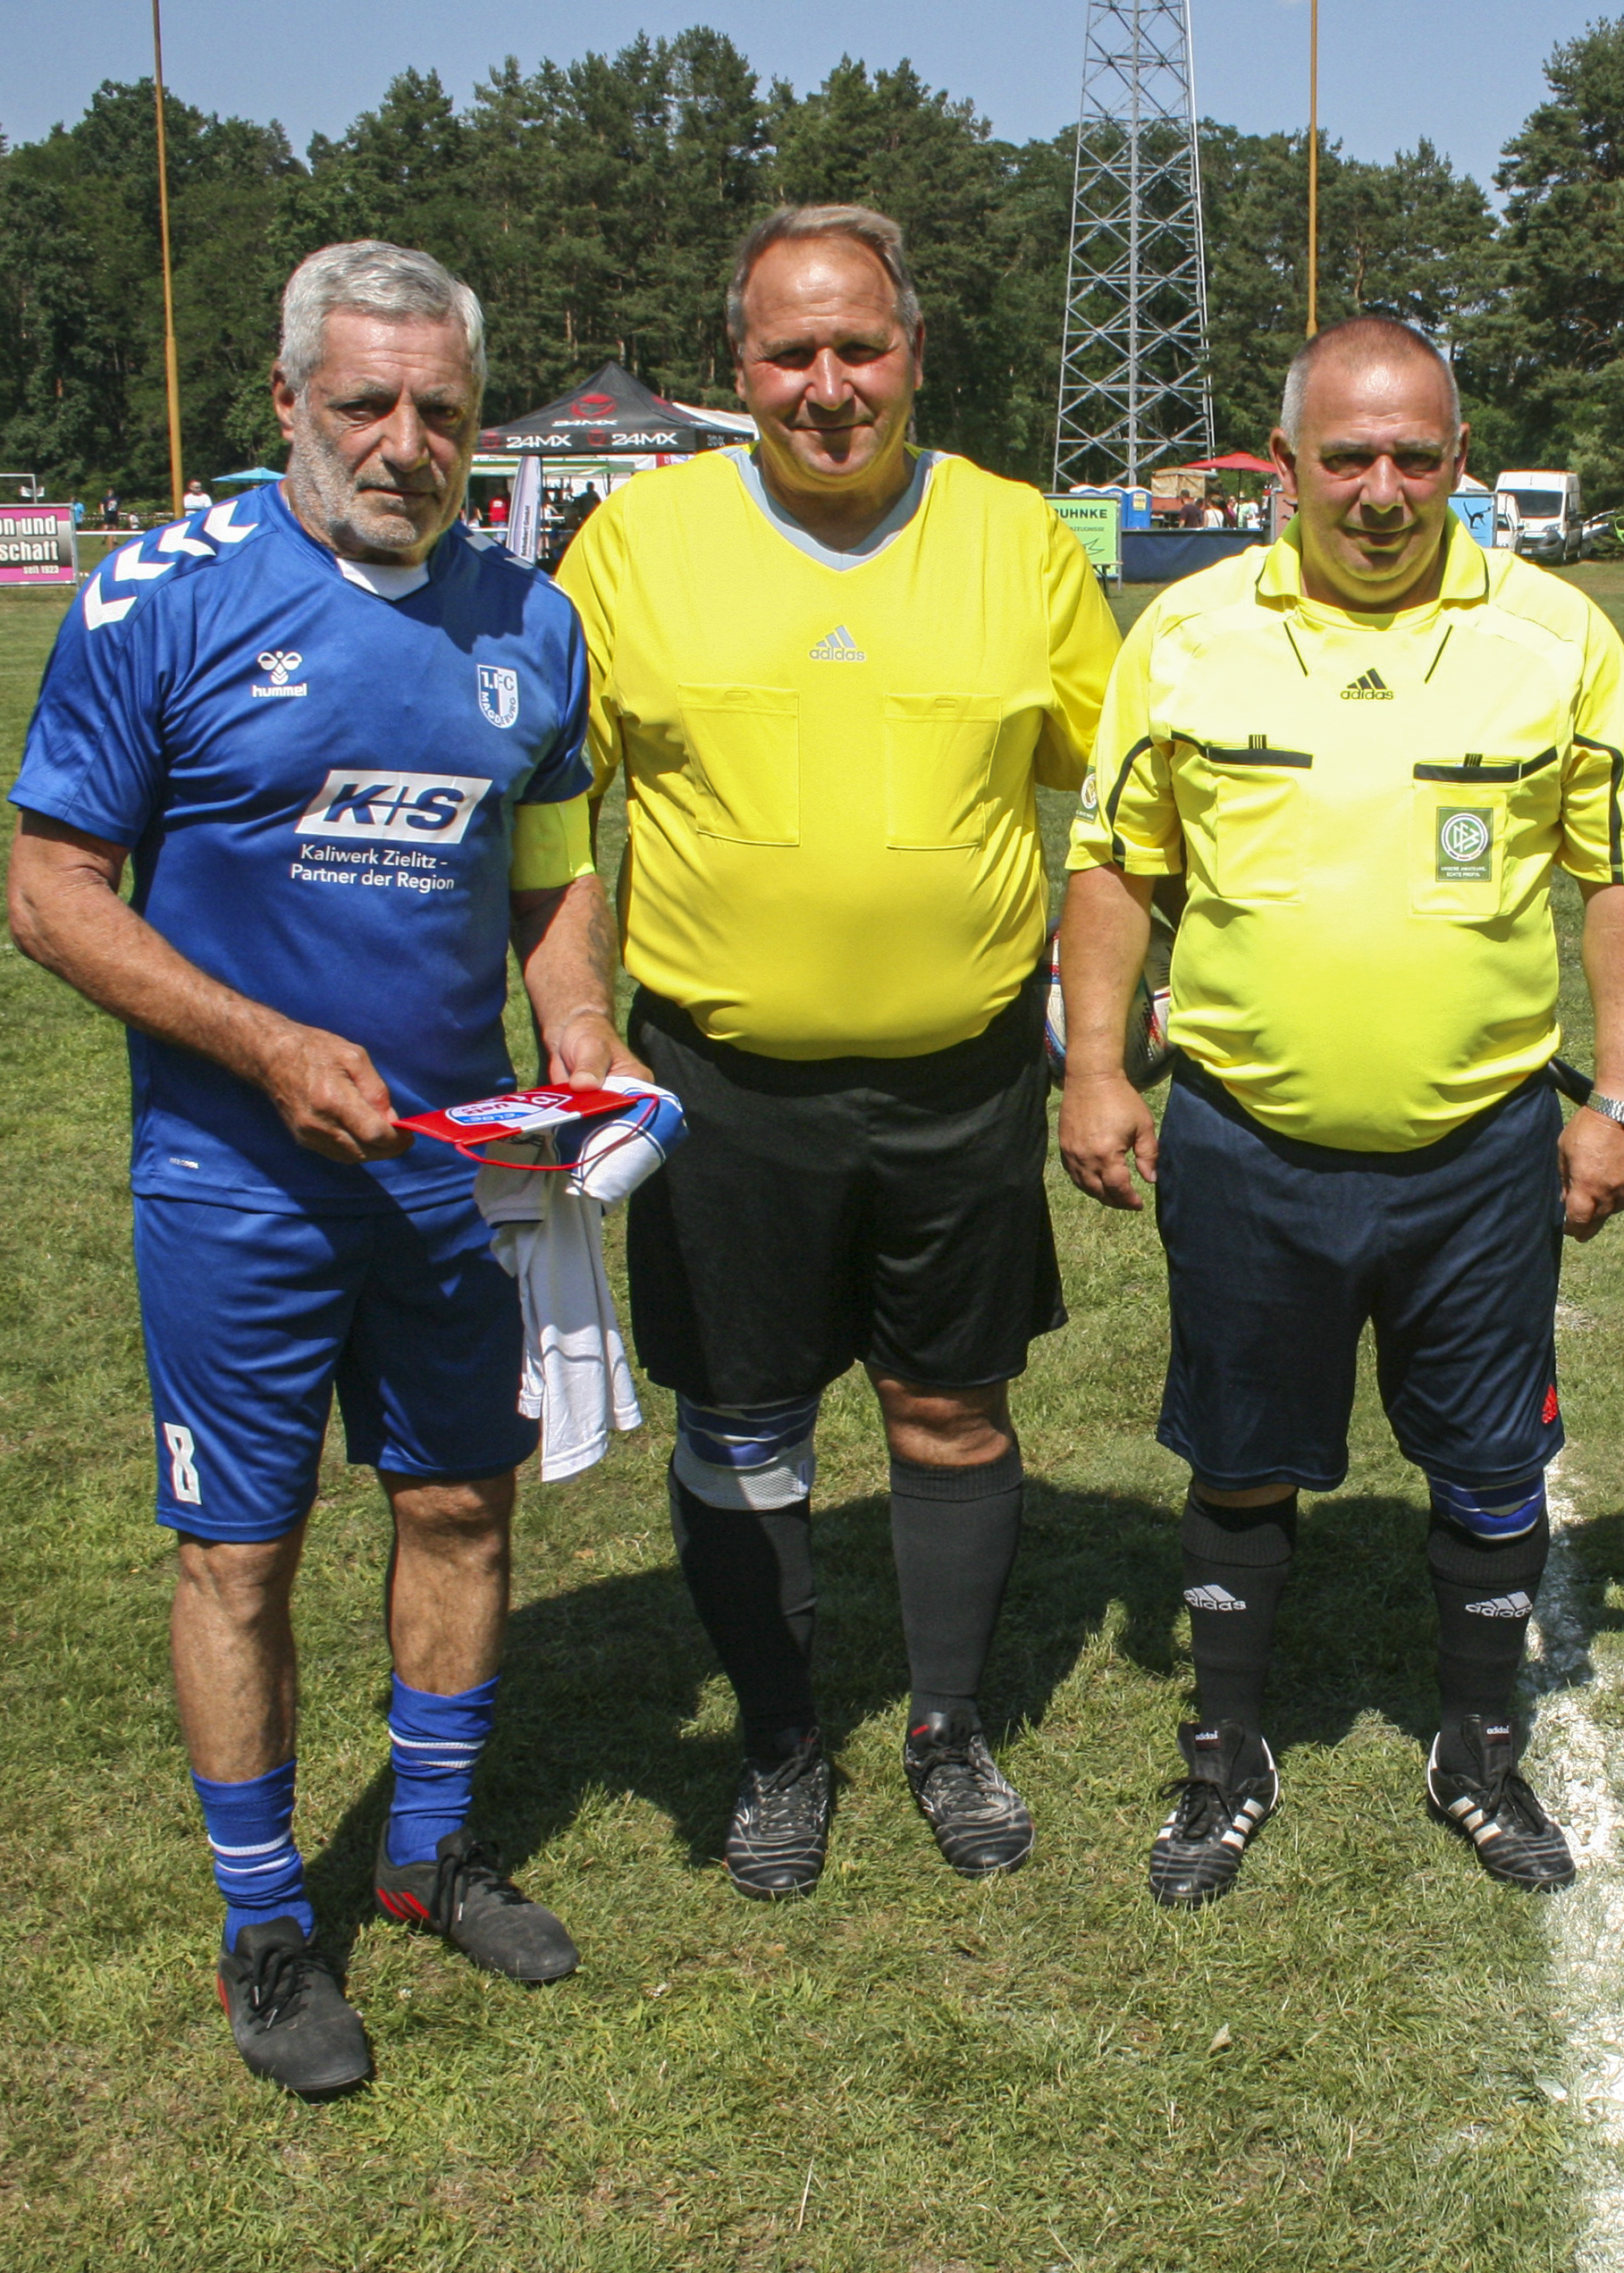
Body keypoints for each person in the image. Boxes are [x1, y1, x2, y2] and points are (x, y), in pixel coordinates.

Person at [5, 241, 631, 2095]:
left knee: (463, 1511)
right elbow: (51, 894)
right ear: (286, 399)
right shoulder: (162, 598)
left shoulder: (529, 619)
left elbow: (549, 870)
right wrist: (268, 1049)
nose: (403, 442)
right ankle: (266, 1922)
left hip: (451, 1175)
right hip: (235, 1184)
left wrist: (577, 1029)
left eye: (441, 408)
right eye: (364, 402)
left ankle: (428, 1855)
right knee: (241, 1555)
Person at [1056, 316, 1624, 1909]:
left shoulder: (1555, 636)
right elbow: (1115, 862)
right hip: (1245, 1142)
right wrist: (1097, 1066)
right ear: (1286, 465)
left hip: (1479, 1153)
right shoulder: (1188, 634)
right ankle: (1227, 1755)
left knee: (1491, 1464)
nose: (1383, 491)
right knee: (1240, 1460)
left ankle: (1478, 1751)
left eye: (1415, 457)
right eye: (1347, 457)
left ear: (1460, 462)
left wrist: (1623, 1096)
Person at [551, 204, 1116, 1897]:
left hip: (962, 1080)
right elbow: (549, 812)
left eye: (859, 347)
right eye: (789, 352)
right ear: (737, 370)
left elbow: (1129, 794)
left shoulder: (1015, 537)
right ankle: (782, 1741)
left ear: (914, 353)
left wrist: (1121, 1010)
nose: (828, 385)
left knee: (950, 1407)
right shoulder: (637, 544)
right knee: (743, 1421)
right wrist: (568, 1026)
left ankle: (948, 1726)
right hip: (721, 1087)